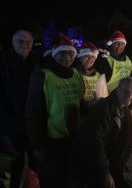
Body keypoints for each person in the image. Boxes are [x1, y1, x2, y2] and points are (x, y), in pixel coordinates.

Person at [70, 77, 132, 188]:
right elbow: (96, 144)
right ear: (117, 90)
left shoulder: (128, 109)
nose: (130, 95)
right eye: (126, 91)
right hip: (93, 164)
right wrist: (105, 173)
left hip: (113, 162)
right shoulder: (104, 109)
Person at [26, 33, 85, 188]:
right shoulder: (43, 76)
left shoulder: (77, 75)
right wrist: (38, 145)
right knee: (53, 181)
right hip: (51, 143)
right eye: (62, 54)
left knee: (70, 178)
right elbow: (34, 113)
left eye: (71, 54)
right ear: (54, 55)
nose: (67, 58)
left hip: (73, 139)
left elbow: (81, 105)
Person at [0, 29, 36, 188]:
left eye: (28, 42)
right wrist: (7, 113)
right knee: (13, 164)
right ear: (13, 43)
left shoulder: (35, 62)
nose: (25, 45)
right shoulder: (2, 63)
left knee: (31, 163)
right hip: (9, 125)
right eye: (21, 41)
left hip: (30, 123)